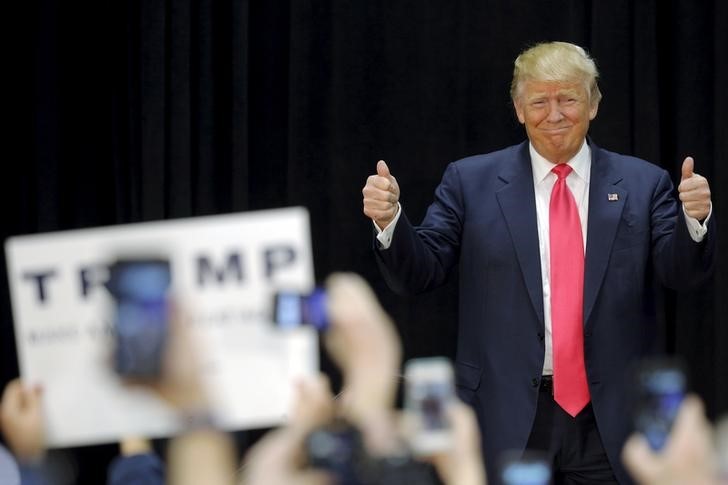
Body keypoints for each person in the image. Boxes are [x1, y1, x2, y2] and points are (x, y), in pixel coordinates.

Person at [362, 41, 715, 484]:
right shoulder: (470, 182)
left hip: (609, 420)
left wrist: (694, 219)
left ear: (593, 104)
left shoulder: (643, 184)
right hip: (505, 413)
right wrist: (390, 219)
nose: (554, 114)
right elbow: (422, 270)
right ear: (517, 108)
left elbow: (681, 272)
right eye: (539, 101)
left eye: (568, 98)